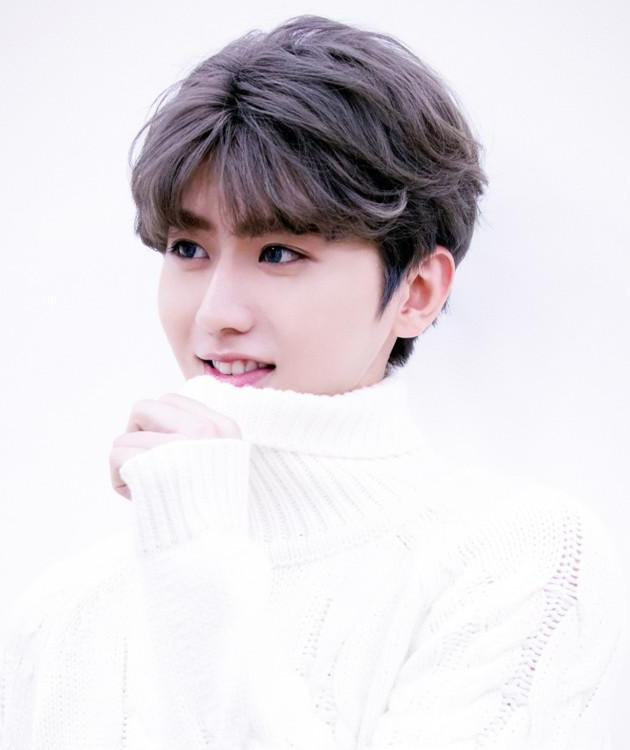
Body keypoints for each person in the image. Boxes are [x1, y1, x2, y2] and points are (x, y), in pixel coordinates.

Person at [1, 15, 626, 750]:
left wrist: (196, 561)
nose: (216, 314)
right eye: (188, 248)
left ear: (418, 291)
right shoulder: (63, 614)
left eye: (278, 253)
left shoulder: (516, 558)